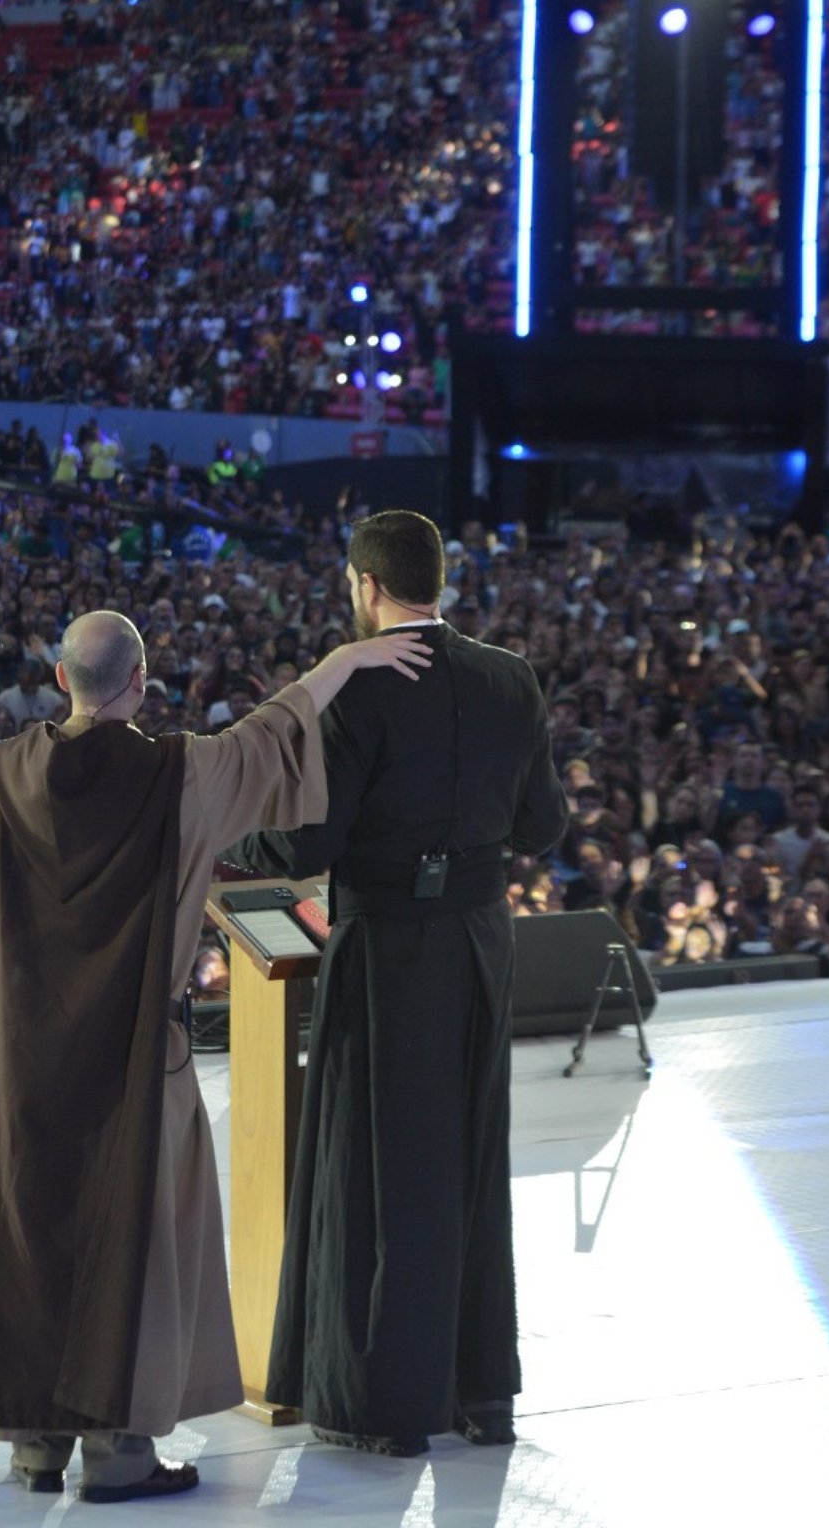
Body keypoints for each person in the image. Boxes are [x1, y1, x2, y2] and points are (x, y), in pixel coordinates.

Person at [0, 606, 430, 1500]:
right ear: (141, 682)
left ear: (60, 681)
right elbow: (271, 733)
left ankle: (35, 1448)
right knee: (130, 1237)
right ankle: (120, 1456)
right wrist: (345, 658)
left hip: (23, 1054)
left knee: (31, 1228)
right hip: (137, 1054)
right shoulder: (181, 774)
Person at [228, 510, 567, 1456]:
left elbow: (306, 842)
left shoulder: (360, 689)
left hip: (386, 947)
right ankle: (480, 1394)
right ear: (441, 581)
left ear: (363, 586)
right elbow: (542, 828)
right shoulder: (511, 679)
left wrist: (227, 835)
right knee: (468, 1158)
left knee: (383, 1166)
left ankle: (390, 1408)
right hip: (479, 944)